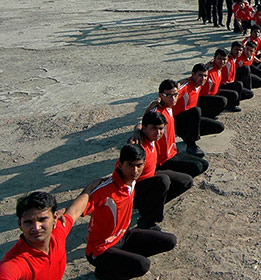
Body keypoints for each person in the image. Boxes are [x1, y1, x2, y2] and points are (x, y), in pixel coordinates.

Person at [84, 145, 176, 280]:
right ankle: (105, 273)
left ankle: (118, 262)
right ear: (120, 165)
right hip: (100, 250)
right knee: (142, 265)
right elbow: (78, 209)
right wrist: (87, 190)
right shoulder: (105, 190)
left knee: (169, 241)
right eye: (130, 165)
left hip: (122, 236)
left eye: (139, 165)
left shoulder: (131, 182)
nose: (135, 170)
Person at [0, 181, 101, 280]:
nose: (36, 227)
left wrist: (90, 188)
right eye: (28, 222)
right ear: (20, 224)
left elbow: (75, 210)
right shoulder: (14, 263)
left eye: (42, 219)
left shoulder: (57, 233)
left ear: (55, 218)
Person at [131, 110, 193, 230]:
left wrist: (137, 129)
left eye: (161, 129)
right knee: (163, 180)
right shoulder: (138, 146)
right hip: (136, 189)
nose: (158, 132)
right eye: (154, 128)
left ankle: (149, 206)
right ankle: (147, 220)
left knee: (186, 181)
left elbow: (139, 124)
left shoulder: (151, 139)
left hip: (150, 177)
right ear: (145, 129)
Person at [155, 78, 213, 174]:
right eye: (168, 95)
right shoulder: (157, 113)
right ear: (161, 95)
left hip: (173, 152)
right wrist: (137, 132)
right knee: (197, 168)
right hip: (165, 159)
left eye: (175, 95)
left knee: (204, 164)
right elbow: (143, 125)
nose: (173, 99)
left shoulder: (169, 108)